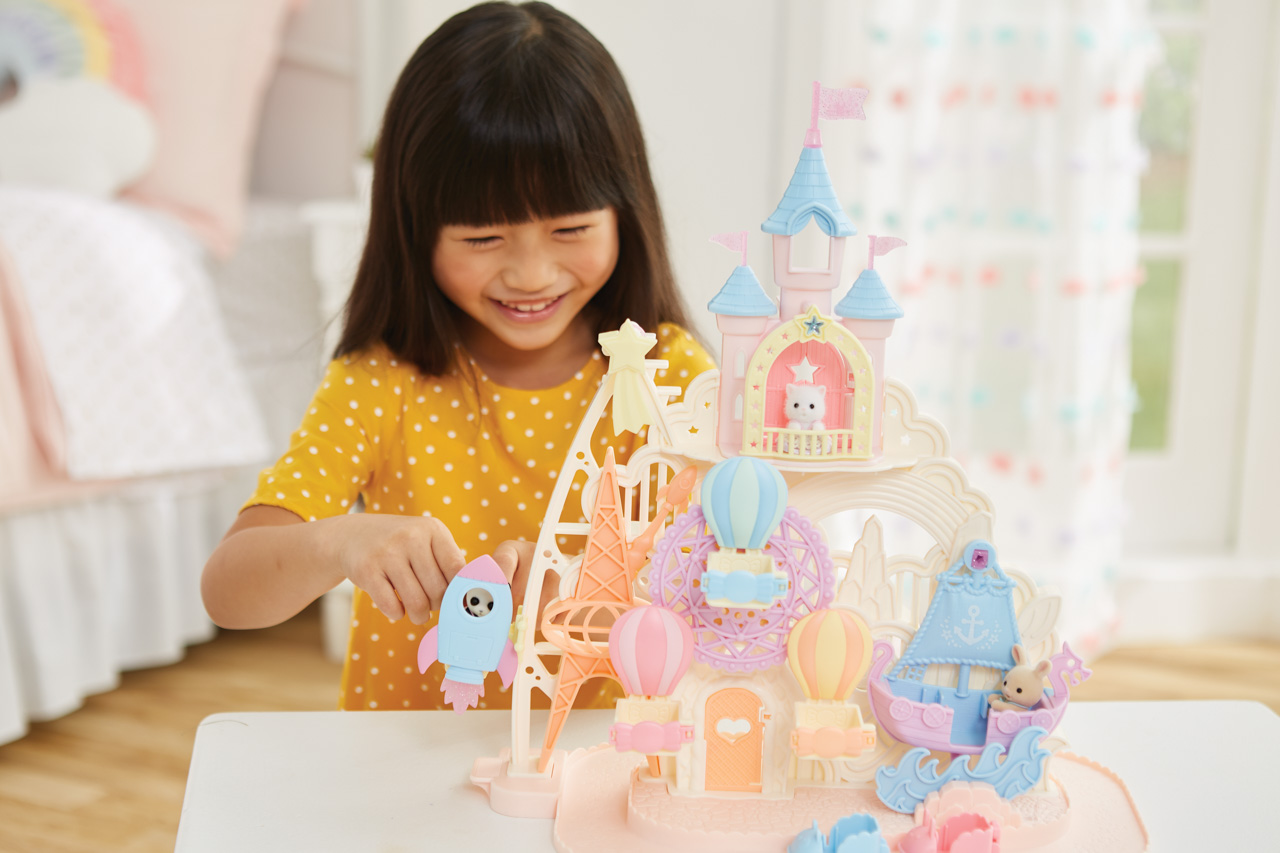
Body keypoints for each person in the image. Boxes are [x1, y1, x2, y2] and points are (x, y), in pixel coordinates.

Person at [201, 1, 716, 711]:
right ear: (415, 231)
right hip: (406, 760)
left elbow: (733, 586)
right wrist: (339, 543)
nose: (532, 274)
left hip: (606, 761)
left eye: (571, 229)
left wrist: (597, 586)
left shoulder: (667, 376)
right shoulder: (381, 381)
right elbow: (228, 589)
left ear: (625, 215)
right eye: (483, 238)